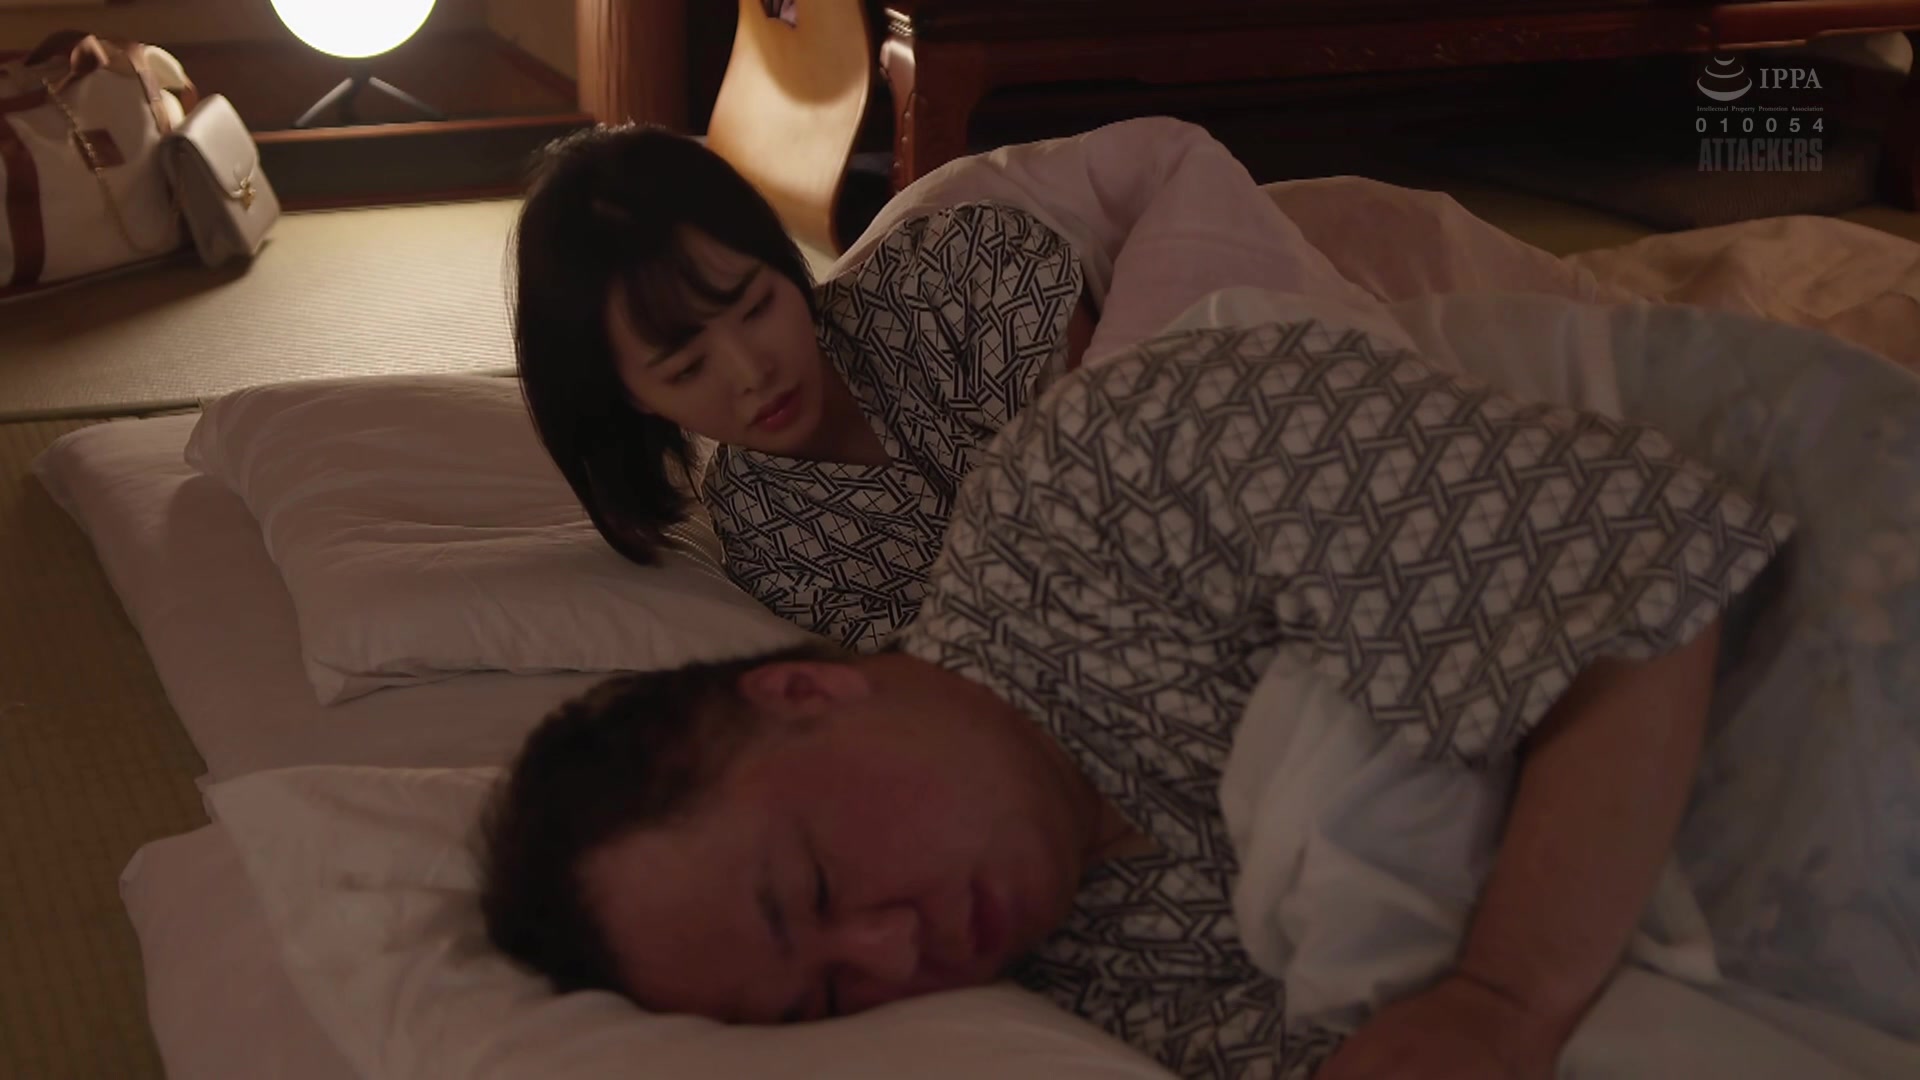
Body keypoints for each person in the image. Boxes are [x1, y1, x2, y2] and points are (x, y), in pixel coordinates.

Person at [480, 291, 1825, 1077]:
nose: (895, 956)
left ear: (803, 694)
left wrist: (1501, 999)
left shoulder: (1100, 483)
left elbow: (1638, 564)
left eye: (819, 890)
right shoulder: (1086, 1008)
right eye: (830, 1001)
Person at [512, 124, 1099, 651]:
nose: (753, 373)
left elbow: (1115, 432)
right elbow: (954, 666)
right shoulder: (766, 541)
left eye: (757, 307)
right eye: (688, 369)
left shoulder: (954, 274)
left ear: (780, 263)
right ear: (632, 395)